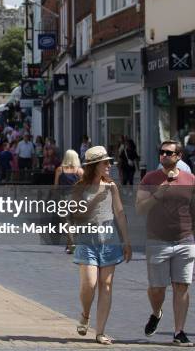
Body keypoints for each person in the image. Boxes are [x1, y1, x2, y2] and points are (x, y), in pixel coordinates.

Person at [136, 140, 195, 346]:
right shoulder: (150, 178)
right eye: (162, 152)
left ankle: (179, 331)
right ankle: (156, 312)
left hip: (185, 240)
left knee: (182, 286)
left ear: (178, 156)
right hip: (157, 241)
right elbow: (140, 209)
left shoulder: (190, 179)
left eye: (169, 153)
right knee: (157, 289)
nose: (164, 155)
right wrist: (158, 193)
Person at [70, 146, 132, 345]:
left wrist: (127, 240)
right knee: (90, 284)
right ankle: (85, 314)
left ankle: (100, 332)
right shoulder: (80, 187)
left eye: (109, 162)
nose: (109, 166)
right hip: (87, 238)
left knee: (106, 285)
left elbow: (120, 213)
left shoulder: (111, 186)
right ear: (95, 166)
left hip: (109, 238)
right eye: (105, 163)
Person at [54, 149, 84, 254]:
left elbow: (56, 186)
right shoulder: (79, 171)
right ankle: (70, 244)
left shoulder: (59, 170)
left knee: (66, 222)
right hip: (76, 198)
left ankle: (71, 243)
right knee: (74, 221)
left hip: (63, 197)